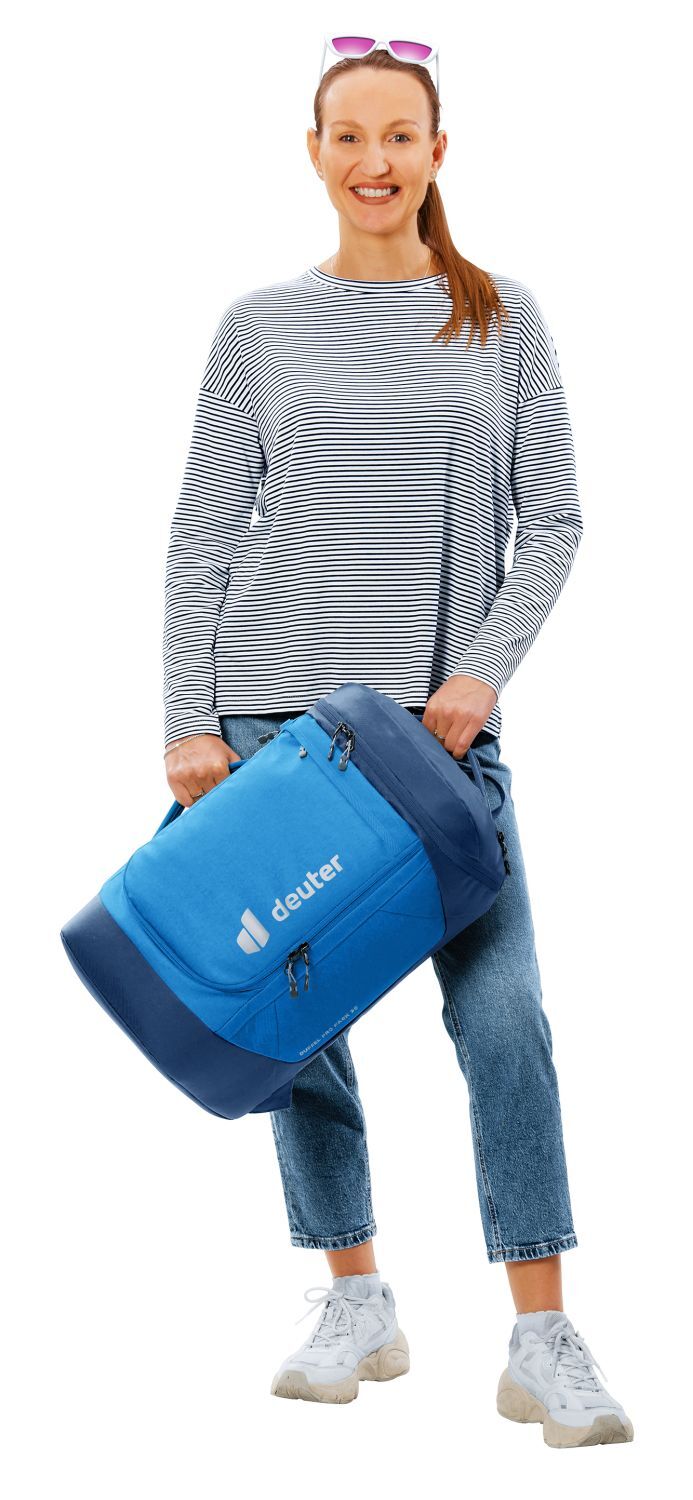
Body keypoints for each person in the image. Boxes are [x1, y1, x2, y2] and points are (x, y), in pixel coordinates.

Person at [161, 40, 633, 1446]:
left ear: (437, 152)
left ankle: (541, 1333)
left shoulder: (504, 320)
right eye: (349, 136)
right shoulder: (259, 325)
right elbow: (201, 536)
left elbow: (553, 522)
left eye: (400, 136)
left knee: (503, 1016)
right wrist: (188, 719)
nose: (374, 161)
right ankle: (354, 1295)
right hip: (273, 731)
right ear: (314, 153)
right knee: (292, 1024)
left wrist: (481, 671)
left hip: (434, 737)